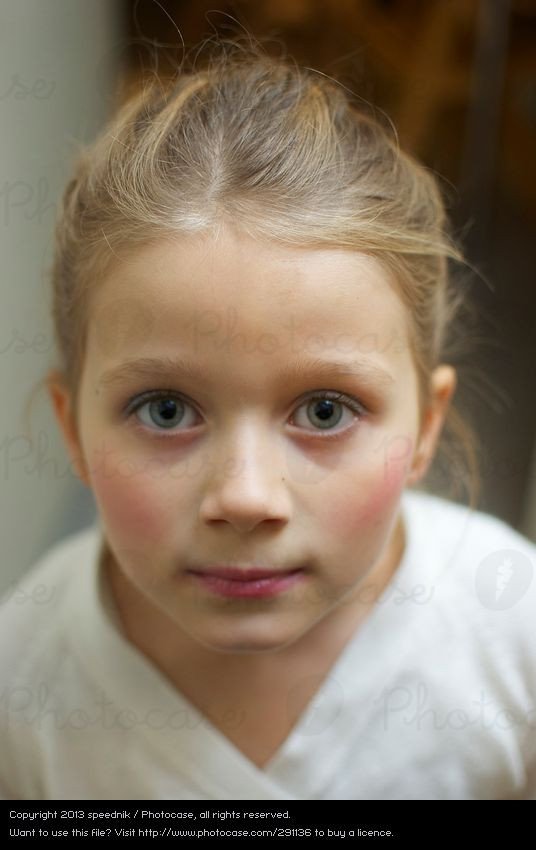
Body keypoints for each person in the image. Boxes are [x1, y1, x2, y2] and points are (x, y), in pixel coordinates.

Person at [1, 40, 535, 801]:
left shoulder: (512, 634)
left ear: (424, 429)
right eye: (166, 410)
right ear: (72, 431)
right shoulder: (24, 678)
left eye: (324, 411)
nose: (247, 498)